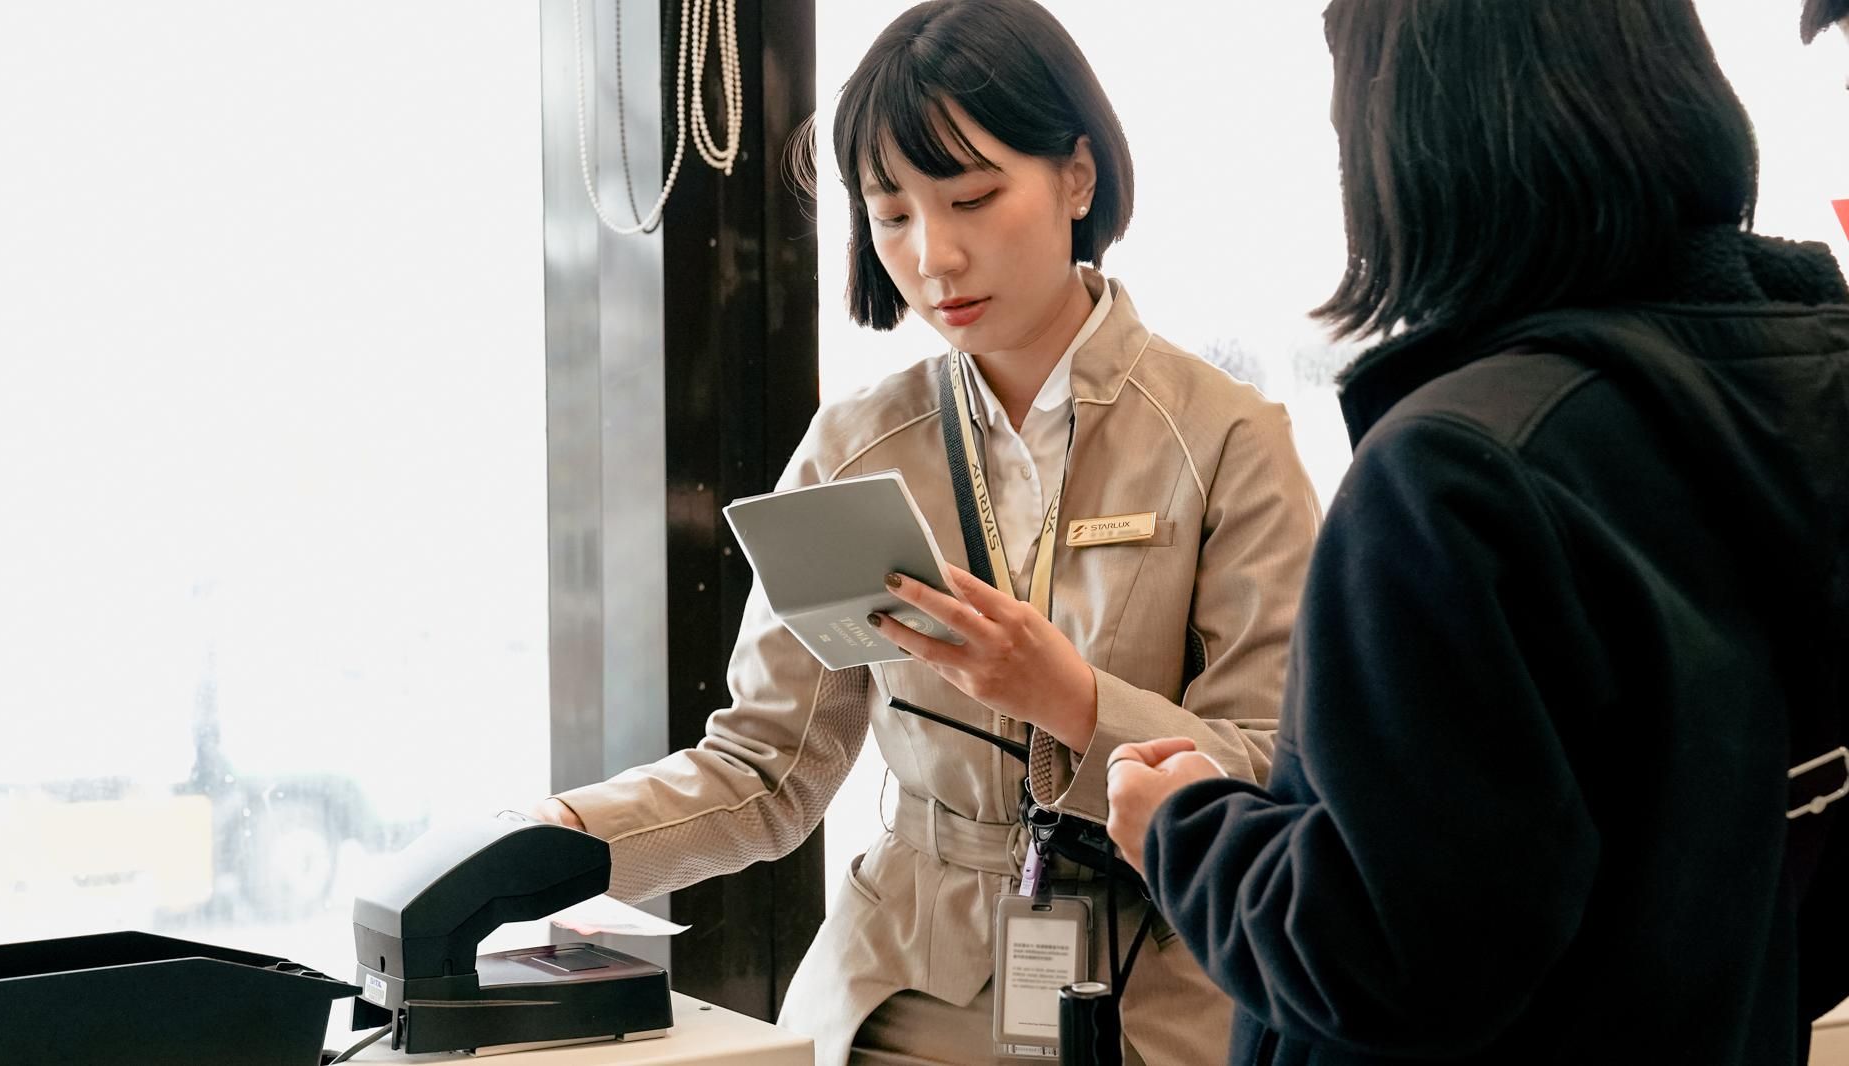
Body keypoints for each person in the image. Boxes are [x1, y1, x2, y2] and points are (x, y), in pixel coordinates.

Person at [531, 1, 1322, 1062]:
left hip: (1151, 1001)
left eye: (972, 197)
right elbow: (767, 768)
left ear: (1076, 178)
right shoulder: (853, 446)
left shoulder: (1224, 438)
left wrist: (1073, 703)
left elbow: (1274, 773)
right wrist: (553, 843)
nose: (932, 255)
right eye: (890, 213)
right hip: (893, 995)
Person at [1102, 1, 1849, 1063]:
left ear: (1407, 137)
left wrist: (1180, 826)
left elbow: (1382, 960)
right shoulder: (1799, 401)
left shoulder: (1458, 476)